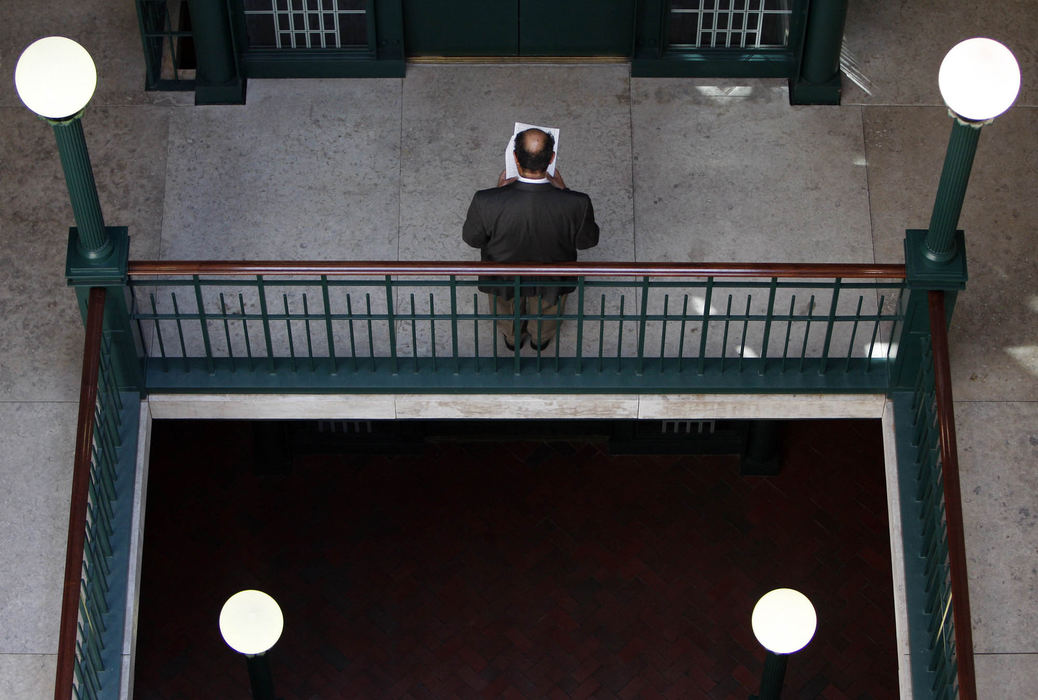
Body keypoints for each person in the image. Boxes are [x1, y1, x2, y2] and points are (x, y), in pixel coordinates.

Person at [462, 128, 599, 351]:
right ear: (552, 158)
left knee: (505, 312)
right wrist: (564, 191)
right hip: (552, 278)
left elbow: (473, 239)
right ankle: (540, 341)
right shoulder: (577, 203)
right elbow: (586, 241)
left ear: (515, 158)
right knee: (547, 314)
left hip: (503, 277)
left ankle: (512, 339)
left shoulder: (485, 200)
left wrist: (498, 193)